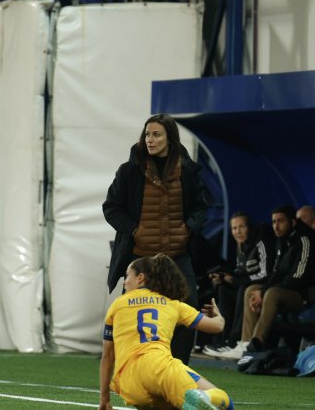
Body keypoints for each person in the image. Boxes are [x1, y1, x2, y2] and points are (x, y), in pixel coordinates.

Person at [104, 113, 210, 365]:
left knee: (188, 310)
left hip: (177, 255)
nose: (150, 140)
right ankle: (131, 367)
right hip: (141, 256)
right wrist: (134, 230)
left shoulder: (189, 170)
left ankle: (178, 369)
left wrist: (188, 228)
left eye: (156, 134)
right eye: (147, 134)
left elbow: (201, 207)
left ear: (170, 138)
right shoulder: (129, 171)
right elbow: (111, 207)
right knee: (129, 315)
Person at [99, 254, 234, 410]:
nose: (124, 281)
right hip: (159, 367)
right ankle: (202, 398)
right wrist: (218, 315)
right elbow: (217, 327)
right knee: (225, 402)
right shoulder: (172, 304)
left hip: (129, 383)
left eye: (127, 275)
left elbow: (108, 356)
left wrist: (104, 399)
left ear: (141, 277)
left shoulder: (117, 304)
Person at [220, 205, 315, 363]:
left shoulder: (305, 239)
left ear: (292, 222)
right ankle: (245, 343)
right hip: (285, 291)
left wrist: (265, 291)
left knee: (271, 293)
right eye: (274, 221)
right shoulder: (283, 241)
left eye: (281, 221)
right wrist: (261, 291)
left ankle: (256, 345)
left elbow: (298, 278)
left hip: (302, 296)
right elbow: (276, 273)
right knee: (251, 290)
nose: (276, 225)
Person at [204, 212, 271, 357]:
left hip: (262, 286)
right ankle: (225, 340)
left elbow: (265, 273)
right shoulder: (240, 245)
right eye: (234, 228)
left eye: (241, 227)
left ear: (249, 227)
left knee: (243, 288)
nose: (237, 232)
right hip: (246, 283)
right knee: (223, 288)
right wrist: (224, 277)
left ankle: (235, 340)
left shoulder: (260, 242)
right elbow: (240, 271)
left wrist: (236, 280)